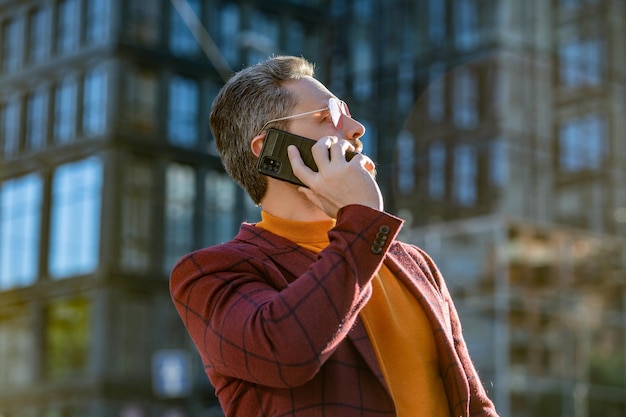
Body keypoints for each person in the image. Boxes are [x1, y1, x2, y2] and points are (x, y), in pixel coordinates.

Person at [169, 55, 499, 417]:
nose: (356, 128)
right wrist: (361, 219)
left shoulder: (413, 262)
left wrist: (363, 224)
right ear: (270, 150)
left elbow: (472, 403)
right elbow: (287, 351)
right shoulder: (210, 273)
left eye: (347, 112)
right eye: (329, 117)